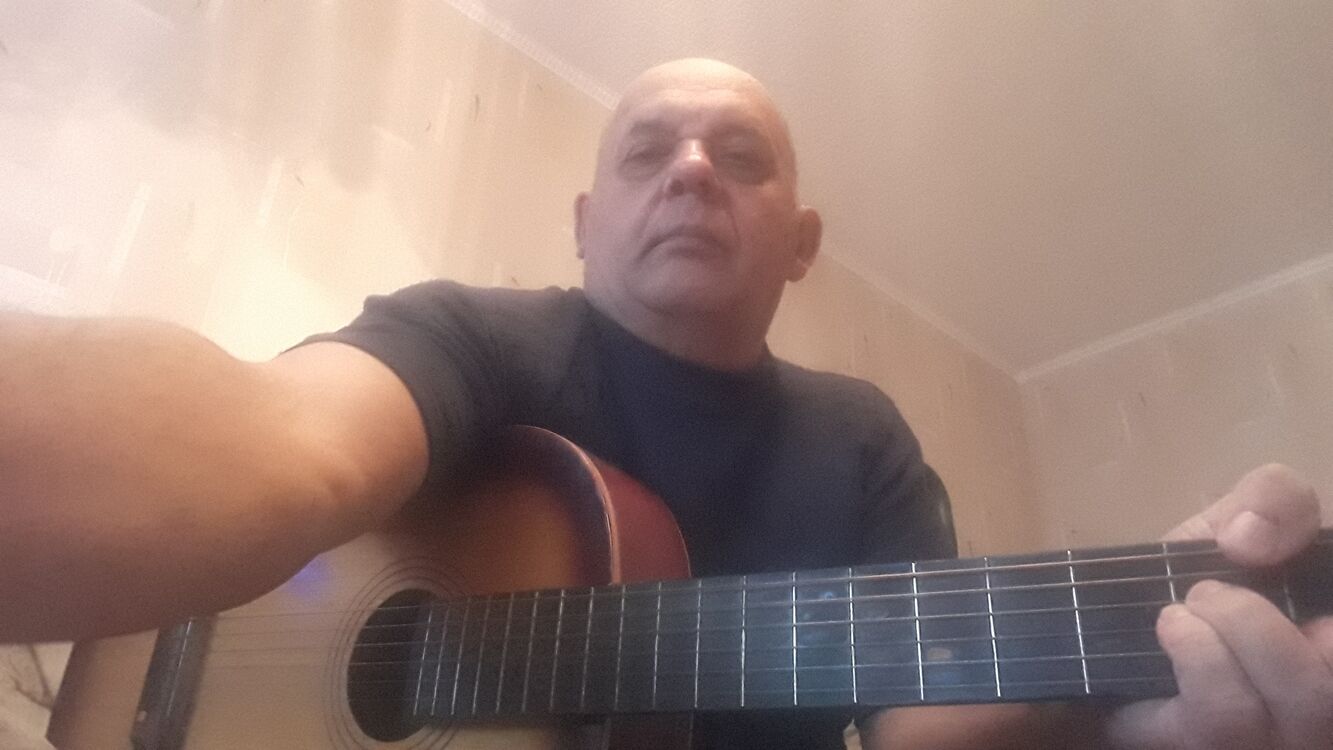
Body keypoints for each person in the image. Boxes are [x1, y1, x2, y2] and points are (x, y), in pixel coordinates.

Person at [1, 58, 1328, 749]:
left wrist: (1116, 683)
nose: (691, 169)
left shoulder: (860, 438)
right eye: (649, 151)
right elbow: (274, 450)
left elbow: (917, 722)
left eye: (738, 156)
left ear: (801, 241)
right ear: (586, 222)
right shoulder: (478, 335)